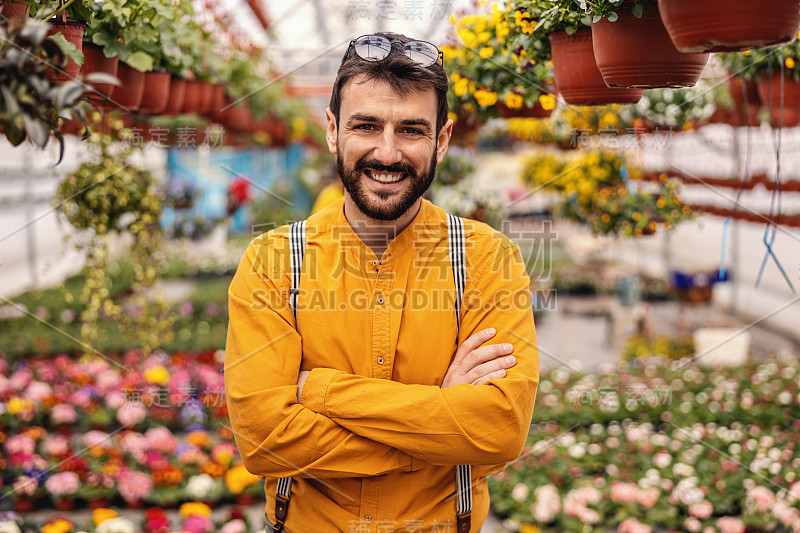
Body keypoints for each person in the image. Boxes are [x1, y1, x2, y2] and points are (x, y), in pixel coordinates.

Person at [225, 32, 539, 533]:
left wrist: (323, 392)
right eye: (366, 126)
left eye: (412, 130)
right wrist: (438, 419)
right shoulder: (274, 262)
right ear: (332, 130)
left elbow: (497, 430)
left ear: (442, 139)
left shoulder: (486, 259)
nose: (387, 153)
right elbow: (263, 439)